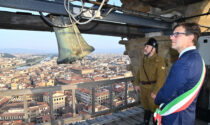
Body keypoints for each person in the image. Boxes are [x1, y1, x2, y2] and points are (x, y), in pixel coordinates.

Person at [153, 22, 206, 125]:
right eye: (172, 34)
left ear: (190, 37)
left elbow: (167, 93)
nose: (171, 37)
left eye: (176, 34)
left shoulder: (183, 62)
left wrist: (157, 98)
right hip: (186, 116)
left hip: (175, 118)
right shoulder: (197, 58)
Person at [134, 38, 166, 125]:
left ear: (153, 48)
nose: (145, 48)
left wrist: (155, 92)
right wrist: (136, 83)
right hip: (143, 88)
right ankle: (146, 122)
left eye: (147, 47)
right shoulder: (143, 59)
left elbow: (161, 79)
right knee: (146, 107)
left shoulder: (160, 61)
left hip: (153, 89)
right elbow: (139, 72)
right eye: (145, 46)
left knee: (155, 109)